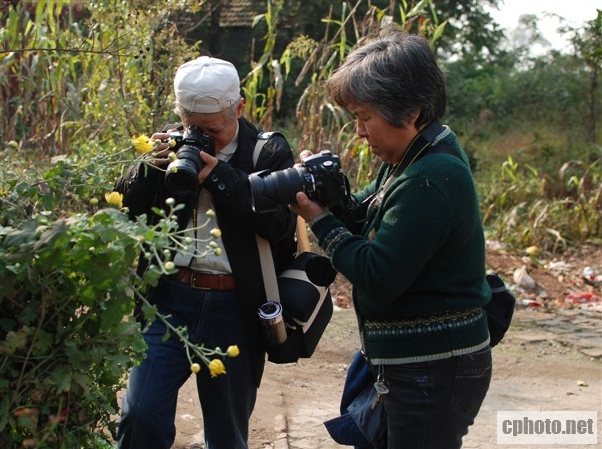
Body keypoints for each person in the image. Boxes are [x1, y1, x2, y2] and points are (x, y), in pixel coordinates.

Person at [291, 29, 492, 449]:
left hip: (431, 371)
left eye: (365, 117)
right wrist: (328, 192)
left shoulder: (431, 177)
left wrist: (319, 219)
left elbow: (379, 274)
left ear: (412, 112)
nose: (359, 133)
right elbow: (366, 214)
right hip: (414, 365)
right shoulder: (411, 157)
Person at [113, 56, 297, 449]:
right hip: (168, 299)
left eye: (213, 129)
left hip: (235, 306)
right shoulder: (167, 144)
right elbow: (126, 210)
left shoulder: (268, 153)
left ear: (240, 108)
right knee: (138, 416)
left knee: (226, 433)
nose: (201, 138)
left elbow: (280, 227)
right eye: (191, 127)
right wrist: (149, 169)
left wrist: (219, 176)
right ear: (180, 113)